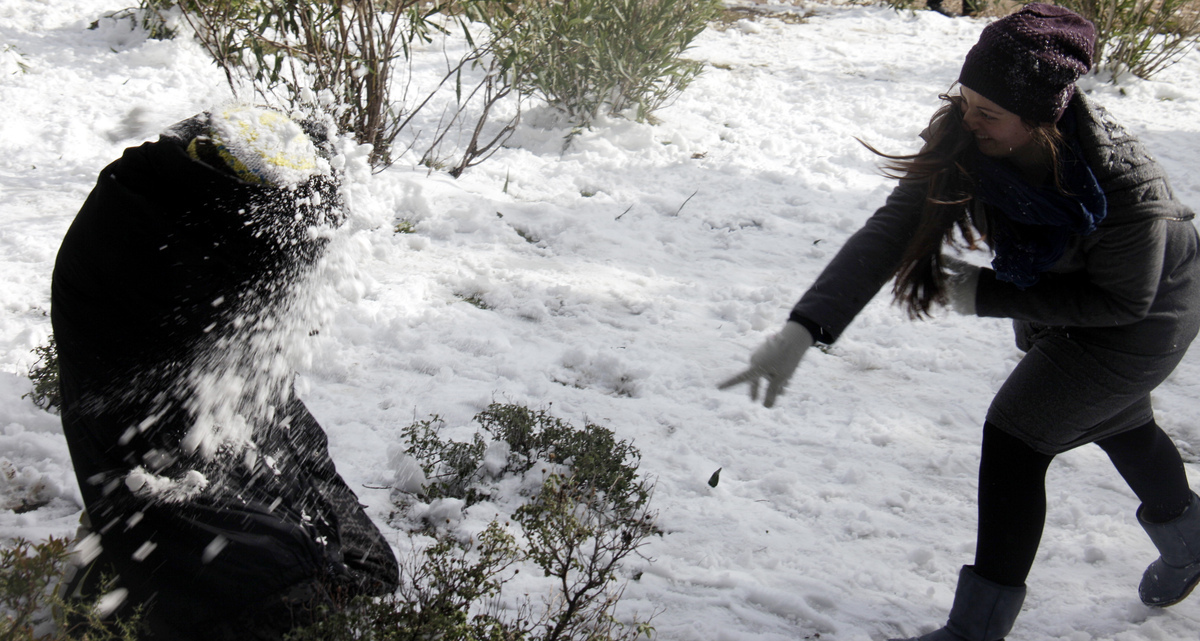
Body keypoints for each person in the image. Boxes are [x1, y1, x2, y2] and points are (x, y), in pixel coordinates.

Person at [720, 5, 1200, 640]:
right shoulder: (967, 133)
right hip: (1065, 300)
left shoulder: (1124, 190)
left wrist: (983, 291)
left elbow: (1120, 303)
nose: (969, 123)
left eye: (988, 114)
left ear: (1040, 120)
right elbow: (895, 227)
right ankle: (1191, 541)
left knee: (1017, 438)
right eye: (965, 100)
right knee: (1116, 419)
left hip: (1145, 312)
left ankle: (975, 630)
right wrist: (804, 326)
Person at [52, 105, 399, 640]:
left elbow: (260, 396)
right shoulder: (158, 246)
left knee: (353, 558)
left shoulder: (180, 204)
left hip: (186, 384)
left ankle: (125, 558)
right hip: (148, 405)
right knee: (260, 591)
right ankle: (114, 579)